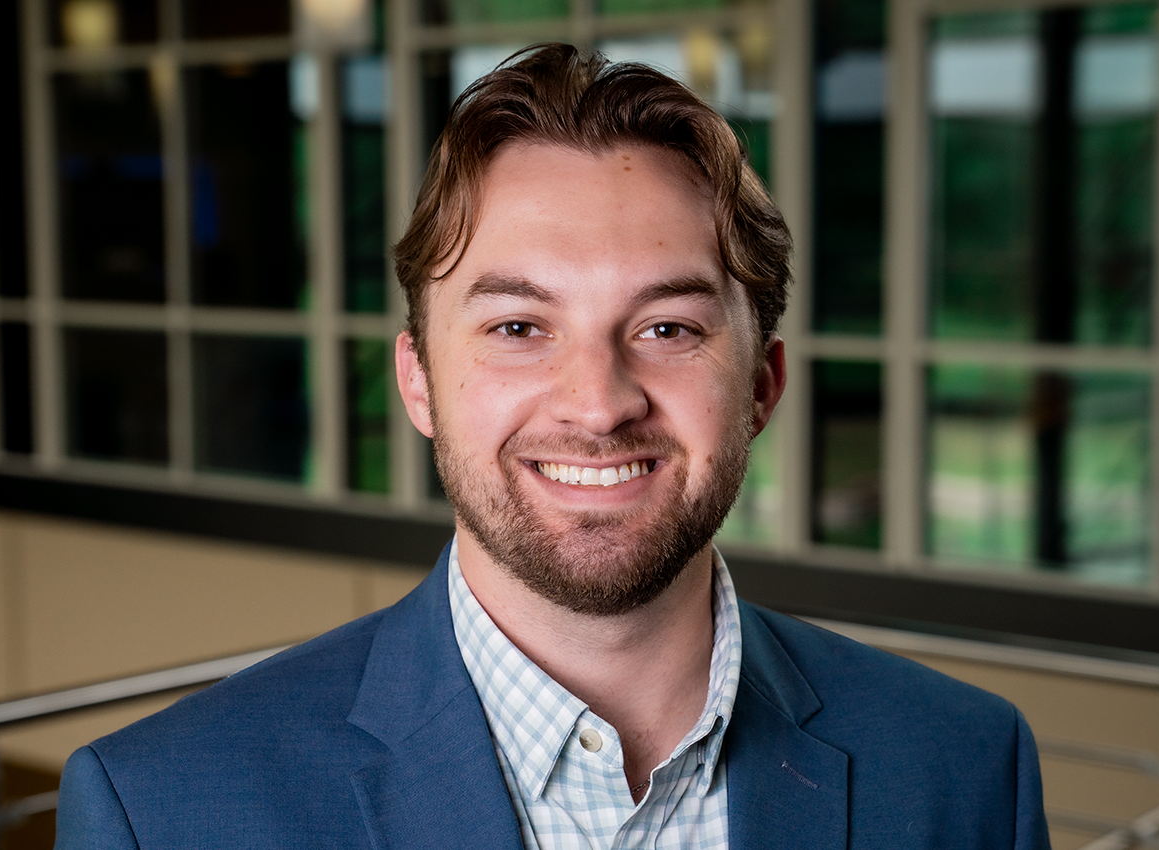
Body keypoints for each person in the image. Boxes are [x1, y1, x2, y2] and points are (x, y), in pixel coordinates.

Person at [55, 43, 1050, 849]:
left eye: (667, 327)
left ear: (760, 385)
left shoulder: (964, 767)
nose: (599, 403)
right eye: (519, 327)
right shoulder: (161, 812)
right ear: (418, 381)